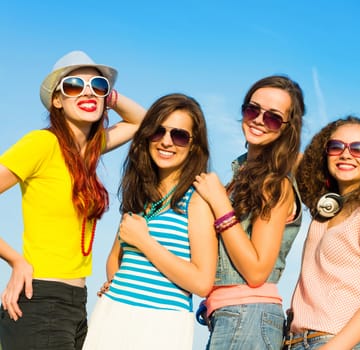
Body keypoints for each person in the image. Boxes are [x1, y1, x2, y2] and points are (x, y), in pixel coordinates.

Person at [0, 50, 146, 349]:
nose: (87, 91)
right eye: (74, 86)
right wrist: (15, 260)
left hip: (75, 304)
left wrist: (110, 97)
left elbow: (143, 123)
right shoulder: (42, 144)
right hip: (40, 298)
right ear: (57, 99)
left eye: (98, 86)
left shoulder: (89, 151)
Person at [81, 93, 217, 349]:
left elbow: (202, 282)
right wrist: (116, 283)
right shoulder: (140, 194)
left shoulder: (197, 200)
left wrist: (145, 242)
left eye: (179, 135)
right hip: (112, 314)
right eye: (158, 131)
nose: (166, 142)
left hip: (161, 325)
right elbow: (115, 257)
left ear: (194, 145)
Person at [193, 75, 305, 349]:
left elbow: (256, 271)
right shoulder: (243, 175)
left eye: (273, 118)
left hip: (247, 316)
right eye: (252, 109)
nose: (258, 119)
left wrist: (220, 203)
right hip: (233, 316)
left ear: (287, 128)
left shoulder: (274, 183)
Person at [282, 116, 360, 350]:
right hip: (294, 341)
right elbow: (286, 157)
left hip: (335, 342)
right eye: (336, 146)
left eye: (359, 148)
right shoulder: (325, 209)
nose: (346, 154)